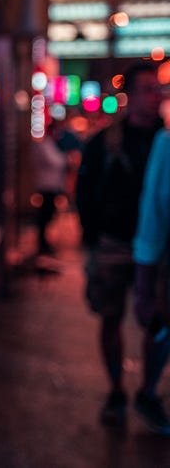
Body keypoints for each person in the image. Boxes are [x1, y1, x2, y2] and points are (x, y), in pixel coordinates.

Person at [76, 63, 165, 428]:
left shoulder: (166, 140)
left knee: (159, 322)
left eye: (157, 88)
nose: (154, 96)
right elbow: (84, 192)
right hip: (114, 243)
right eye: (145, 89)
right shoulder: (105, 142)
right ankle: (116, 390)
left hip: (159, 249)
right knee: (110, 316)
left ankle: (148, 391)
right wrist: (92, 240)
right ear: (129, 95)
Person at [133, 128, 170, 434]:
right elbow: (153, 214)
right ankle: (148, 391)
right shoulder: (166, 143)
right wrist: (144, 284)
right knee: (160, 331)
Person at [32, 125, 68, 256]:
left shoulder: (50, 145)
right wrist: (66, 159)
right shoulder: (44, 145)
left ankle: (44, 242)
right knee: (45, 215)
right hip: (46, 185)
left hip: (50, 185)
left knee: (48, 214)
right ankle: (42, 243)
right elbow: (56, 162)